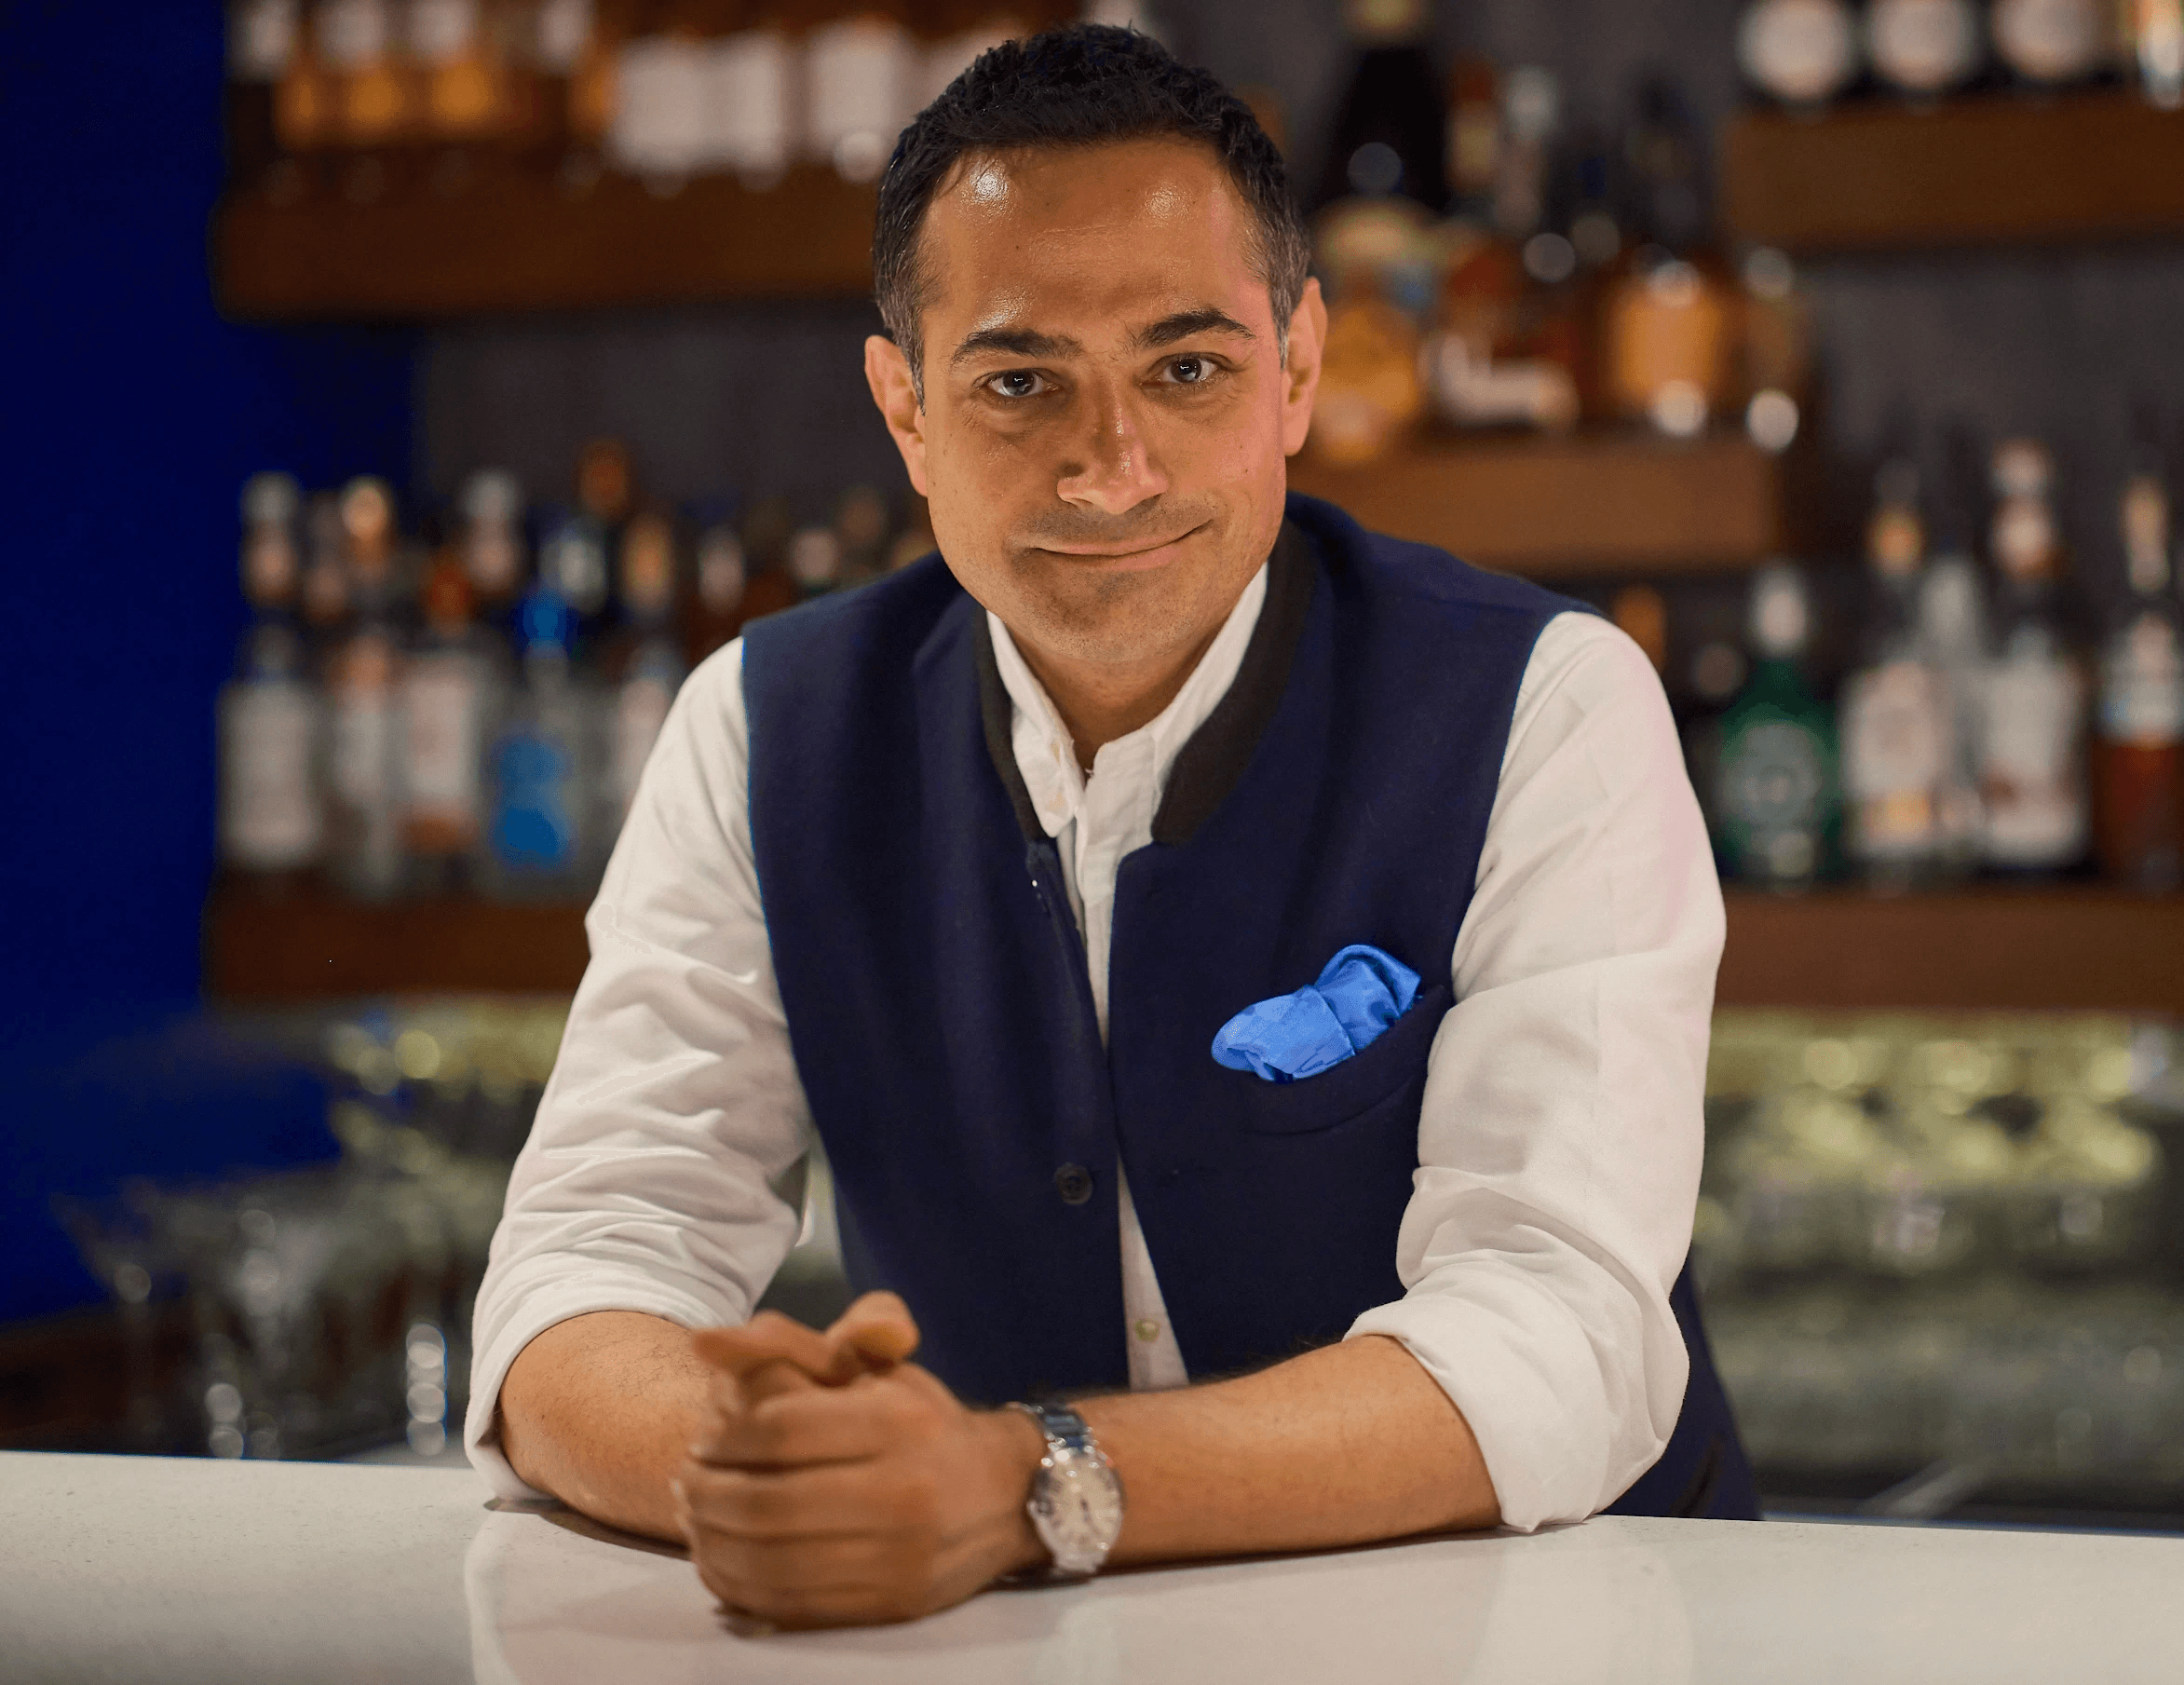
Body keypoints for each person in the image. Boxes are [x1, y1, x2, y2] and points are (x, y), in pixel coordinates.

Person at [467, 23, 1756, 1630]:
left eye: (1188, 367)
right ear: (905, 408)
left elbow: (1562, 1338)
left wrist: (1021, 1483)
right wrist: (773, 1478)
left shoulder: (1550, 707)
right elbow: (584, 1265)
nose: (1111, 465)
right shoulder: (759, 729)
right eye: (1020, 383)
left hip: (1539, 1644)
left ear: (1297, 372)